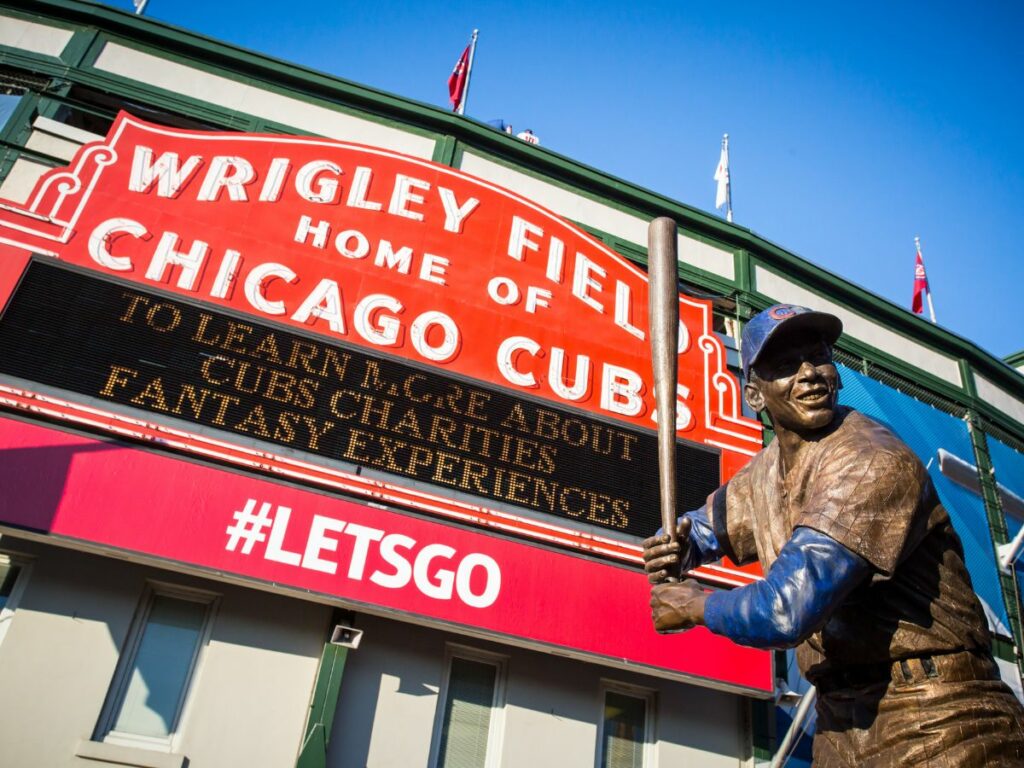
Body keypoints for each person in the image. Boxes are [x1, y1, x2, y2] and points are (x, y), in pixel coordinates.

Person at [643, 303, 1024, 766]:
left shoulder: (868, 459)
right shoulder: (764, 474)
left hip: (942, 715)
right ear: (755, 396)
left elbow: (785, 611)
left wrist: (693, 605)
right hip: (841, 722)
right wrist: (675, 545)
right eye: (785, 366)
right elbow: (703, 527)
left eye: (818, 358)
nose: (809, 374)